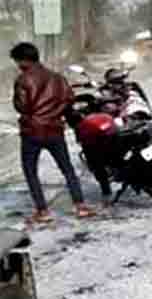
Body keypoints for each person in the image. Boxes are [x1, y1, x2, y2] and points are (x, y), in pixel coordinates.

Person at [10, 42, 96, 224]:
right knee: (67, 169)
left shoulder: (23, 80)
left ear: (23, 60)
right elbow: (69, 99)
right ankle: (80, 206)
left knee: (31, 171)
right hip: (54, 130)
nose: (17, 65)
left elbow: (21, 106)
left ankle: (43, 211)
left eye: (17, 61)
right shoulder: (57, 78)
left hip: (32, 131)